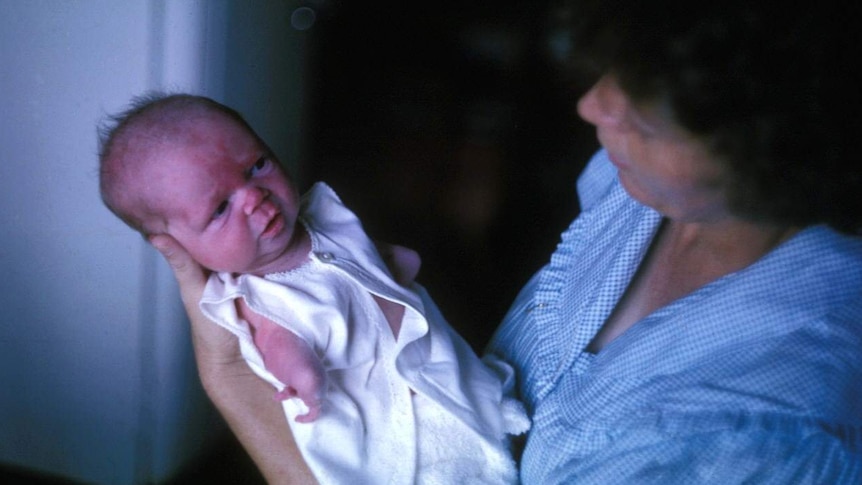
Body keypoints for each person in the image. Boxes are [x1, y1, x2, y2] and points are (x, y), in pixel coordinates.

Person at [148, 0, 862, 482]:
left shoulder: (770, 440)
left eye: (646, 116)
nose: (593, 106)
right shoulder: (641, 187)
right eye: (613, 72)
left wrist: (240, 391)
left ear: (767, 150)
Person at [98, 94, 528, 484]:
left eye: (256, 165)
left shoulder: (320, 218)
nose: (253, 196)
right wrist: (304, 375)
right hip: (383, 411)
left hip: (431, 364)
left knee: (481, 410)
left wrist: (393, 263)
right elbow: (278, 342)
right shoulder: (255, 297)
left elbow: (368, 257)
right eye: (221, 208)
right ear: (181, 249)